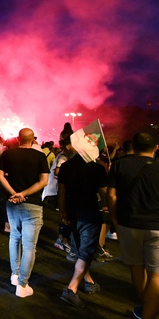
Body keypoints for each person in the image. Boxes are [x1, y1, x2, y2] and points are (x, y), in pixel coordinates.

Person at [107, 132, 159, 319]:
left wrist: (114, 220)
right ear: (156, 148)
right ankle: (149, 313)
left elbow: (111, 195)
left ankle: (146, 307)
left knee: (136, 268)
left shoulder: (120, 164)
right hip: (156, 226)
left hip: (128, 224)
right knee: (156, 274)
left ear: (133, 147)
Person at [0, 128, 49, 298]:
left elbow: (0, 175)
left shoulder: (8, 154)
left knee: (14, 237)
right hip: (32, 204)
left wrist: (14, 192)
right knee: (29, 246)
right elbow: (44, 181)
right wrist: (24, 194)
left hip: (12, 202)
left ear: (18, 139)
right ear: (33, 139)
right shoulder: (40, 156)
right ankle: (22, 285)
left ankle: (15, 275)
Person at [57, 153, 108, 307]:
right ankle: (71, 289)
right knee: (86, 251)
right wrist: (109, 208)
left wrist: (62, 211)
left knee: (80, 247)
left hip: (73, 211)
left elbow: (62, 191)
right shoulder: (97, 167)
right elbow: (104, 192)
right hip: (89, 212)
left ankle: (89, 281)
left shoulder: (66, 166)